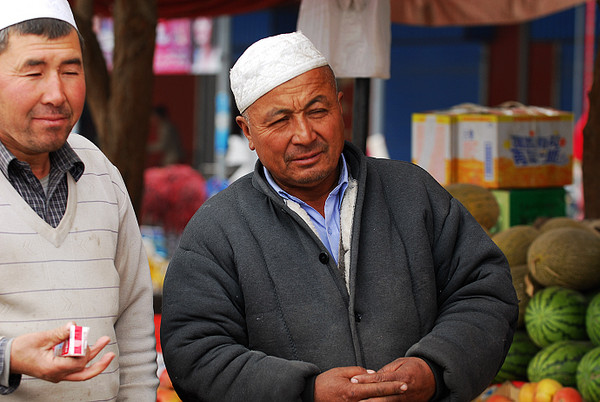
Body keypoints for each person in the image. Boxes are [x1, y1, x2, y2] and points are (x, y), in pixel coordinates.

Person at [161, 32, 518, 402]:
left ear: (340, 106)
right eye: (280, 120)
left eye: (318, 111)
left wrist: (433, 369)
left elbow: (485, 292)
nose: (304, 134)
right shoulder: (216, 230)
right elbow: (195, 354)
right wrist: (306, 392)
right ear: (248, 131)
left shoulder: (413, 194)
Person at [0, 0, 158, 400]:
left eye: (71, 71)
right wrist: (8, 358)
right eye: (33, 72)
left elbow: (135, 328)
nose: (57, 93)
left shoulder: (100, 171)